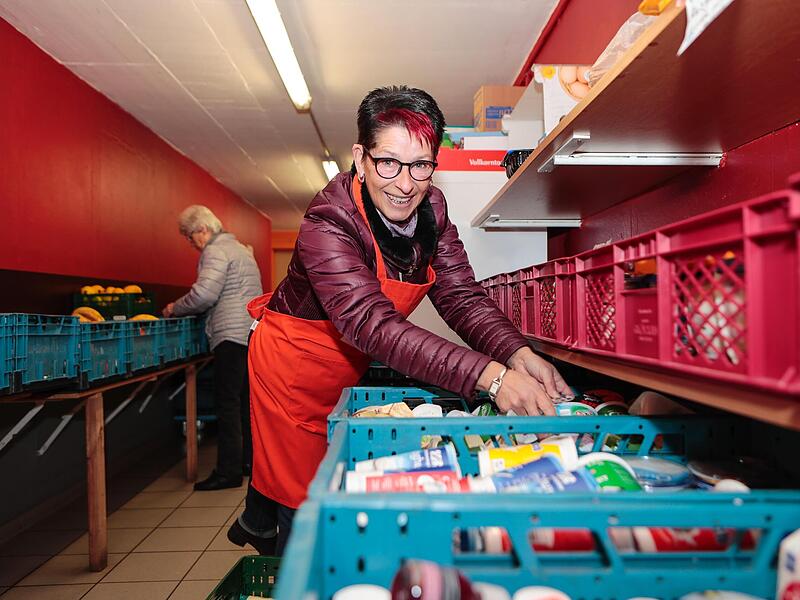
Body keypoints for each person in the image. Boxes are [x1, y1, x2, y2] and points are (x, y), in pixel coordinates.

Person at [227, 86, 570, 554]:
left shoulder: (433, 214)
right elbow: (372, 325)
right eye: (388, 162)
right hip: (291, 372)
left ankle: (258, 520)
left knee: (348, 484)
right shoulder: (327, 223)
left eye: (421, 165)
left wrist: (516, 352)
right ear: (361, 159)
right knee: (307, 502)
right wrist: (492, 379)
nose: (405, 184)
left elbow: (461, 295)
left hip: (348, 366)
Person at [164, 205, 263, 491]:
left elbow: (204, 295)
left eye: (189, 235)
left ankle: (228, 472)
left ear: (203, 230)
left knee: (227, 404)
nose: (190, 242)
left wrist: (174, 308)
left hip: (230, 336)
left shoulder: (215, 251)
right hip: (250, 333)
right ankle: (248, 462)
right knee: (245, 403)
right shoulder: (241, 250)